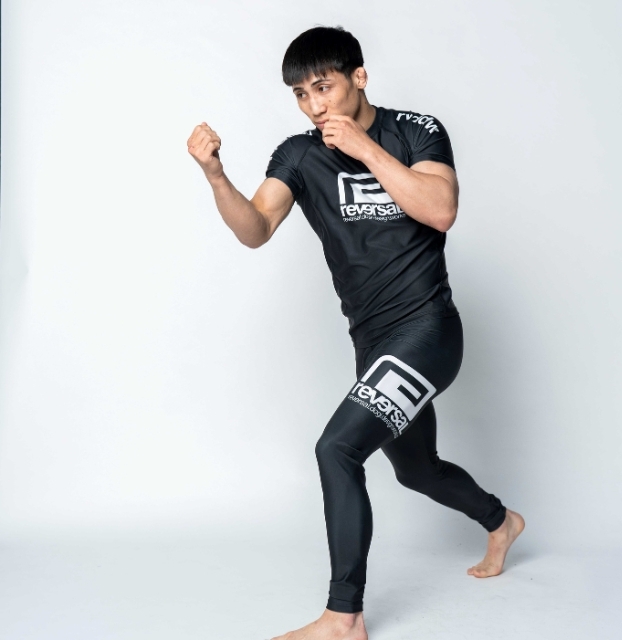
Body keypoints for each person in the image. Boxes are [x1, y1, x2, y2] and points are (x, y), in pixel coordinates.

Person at [187, 25, 525, 640]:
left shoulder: (416, 131)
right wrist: (215, 176)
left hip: (428, 331)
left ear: (358, 78)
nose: (315, 106)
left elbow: (441, 209)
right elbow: (256, 228)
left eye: (324, 87)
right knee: (417, 470)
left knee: (336, 449)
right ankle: (501, 523)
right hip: (373, 344)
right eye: (301, 94)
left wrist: (366, 148)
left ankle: (344, 618)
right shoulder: (299, 154)